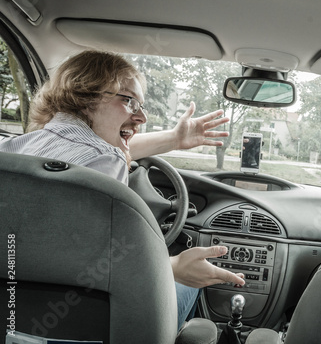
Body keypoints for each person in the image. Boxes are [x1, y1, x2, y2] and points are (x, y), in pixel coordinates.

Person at [0, 50, 245, 330]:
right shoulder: (106, 160)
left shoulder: (15, 148)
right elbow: (94, 265)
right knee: (190, 284)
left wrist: (175, 139)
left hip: (15, 314)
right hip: (79, 320)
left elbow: (91, 150)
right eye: (129, 101)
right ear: (85, 94)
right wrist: (175, 266)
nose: (141, 117)